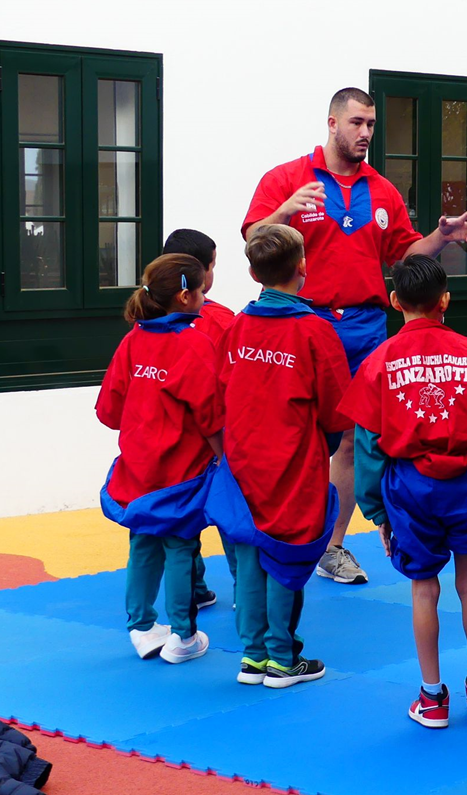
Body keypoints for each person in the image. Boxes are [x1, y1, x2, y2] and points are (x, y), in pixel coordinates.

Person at [241, 87, 467, 586]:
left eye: (371, 124)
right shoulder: (286, 178)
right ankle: (276, 540)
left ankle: (332, 546)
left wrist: (441, 237)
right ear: (332, 124)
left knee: (354, 439)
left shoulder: (382, 190)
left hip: (365, 328)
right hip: (302, 324)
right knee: (292, 435)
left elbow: (404, 254)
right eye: (357, 123)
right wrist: (285, 209)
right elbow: (252, 239)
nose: (366, 133)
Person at [338, 254, 467, 728]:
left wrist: (378, 511)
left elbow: (368, 447)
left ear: (394, 302)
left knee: (423, 590)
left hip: (411, 490)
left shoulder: (378, 361)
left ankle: (432, 697)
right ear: (445, 300)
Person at [205, 225, 352, 688]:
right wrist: (321, 449)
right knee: (287, 554)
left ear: (252, 272)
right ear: (304, 267)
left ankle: (253, 658)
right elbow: (336, 409)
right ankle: (283, 659)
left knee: (249, 554)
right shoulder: (315, 331)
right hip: (293, 461)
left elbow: (221, 394)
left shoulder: (236, 328)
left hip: (243, 459)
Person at [94, 253, 222, 664]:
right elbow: (211, 416)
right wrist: (228, 462)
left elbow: (108, 410)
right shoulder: (193, 343)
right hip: (181, 471)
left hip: (138, 467)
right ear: (185, 296)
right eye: (202, 288)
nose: (206, 295)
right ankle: (183, 636)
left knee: (142, 541)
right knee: (181, 544)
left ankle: (143, 628)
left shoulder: (133, 340)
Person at [162, 228, 237, 609]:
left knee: (178, 522)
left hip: (169, 439)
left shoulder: (144, 322)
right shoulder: (222, 320)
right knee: (232, 512)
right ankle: (246, 589)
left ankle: (193, 588)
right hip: (217, 436)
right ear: (203, 273)